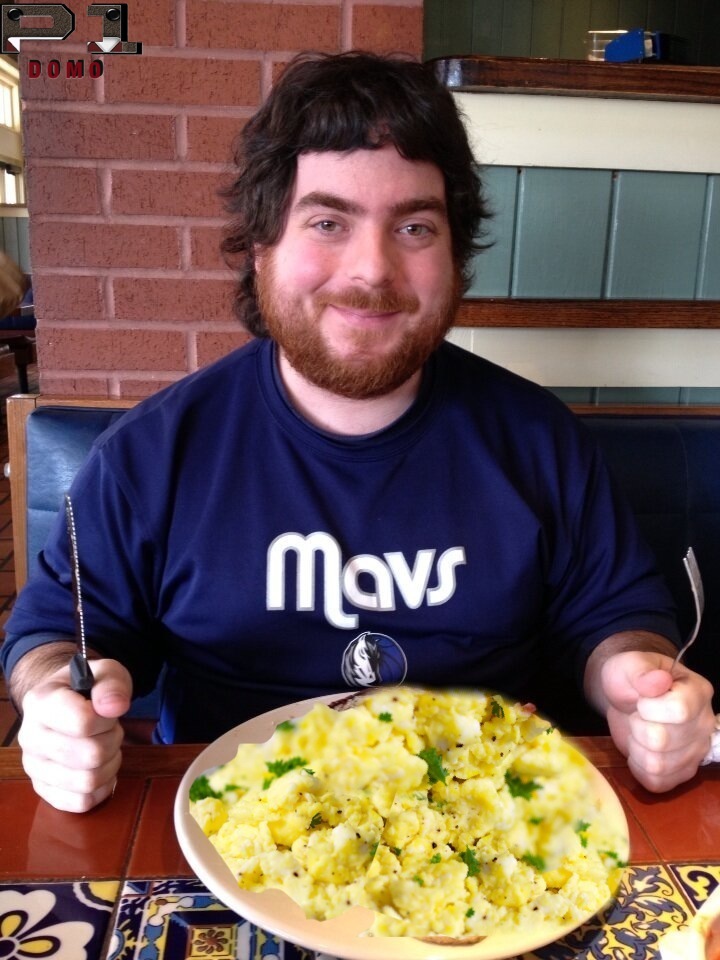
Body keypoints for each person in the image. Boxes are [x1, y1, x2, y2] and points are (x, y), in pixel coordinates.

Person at [1, 51, 715, 813]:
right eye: (328, 222)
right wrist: (56, 705)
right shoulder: (152, 454)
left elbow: (616, 621)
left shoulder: (540, 441)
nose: (372, 270)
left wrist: (639, 685)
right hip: (229, 829)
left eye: (414, 226)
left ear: (454, 254)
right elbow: (57, 635)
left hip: (489, 831)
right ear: (261, 246)